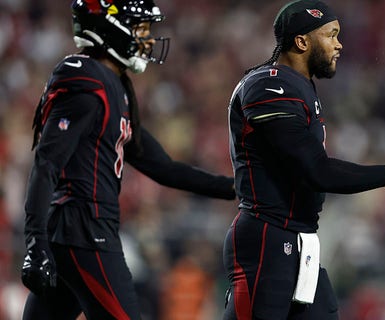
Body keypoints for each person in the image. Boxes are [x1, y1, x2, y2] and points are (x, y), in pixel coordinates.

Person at [223, 0, 385, 319]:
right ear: (301, 42)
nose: (339, 44)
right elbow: (318, 172)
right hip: (267, 237)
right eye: (330, 35)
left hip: (299, 240)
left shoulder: (300, 86)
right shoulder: (270, 85)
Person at [20, 1, 236, 319]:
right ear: (110, 28)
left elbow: (163, 167)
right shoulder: (88, 81)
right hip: (85, 228)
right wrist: (34, 239)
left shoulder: (114, 85)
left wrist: (236, 187)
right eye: (141, 29)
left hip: (75, 230)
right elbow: (46, 162)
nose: (147, 40)